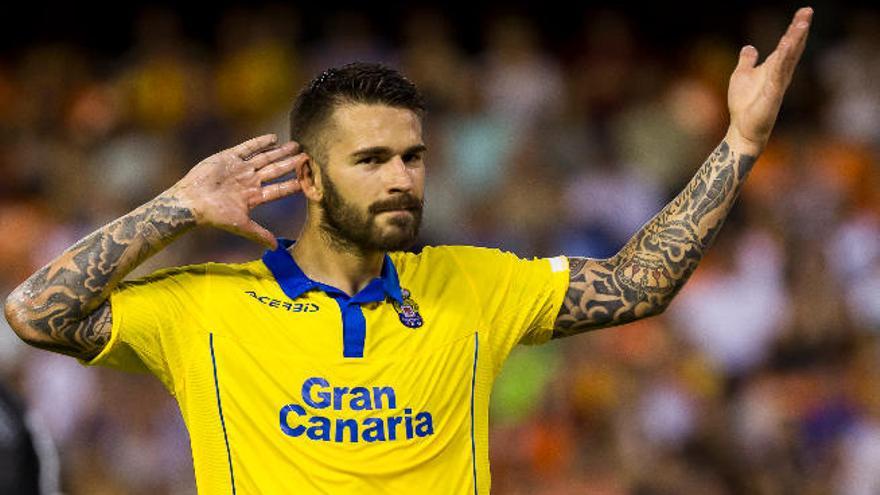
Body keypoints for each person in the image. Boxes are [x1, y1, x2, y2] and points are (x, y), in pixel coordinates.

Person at [3, 7, 812, 494]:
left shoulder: (476, 282)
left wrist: (741, 138)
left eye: (412, 157)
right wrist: (177, 206)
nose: (401, 179)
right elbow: (35, 312)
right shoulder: (206, 305)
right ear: (310, 179)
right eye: (372, 160)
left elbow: (640, 281)